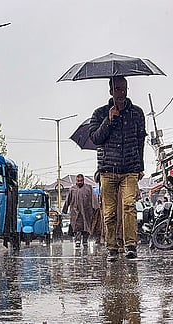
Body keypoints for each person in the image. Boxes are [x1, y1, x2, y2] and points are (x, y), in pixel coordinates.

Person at [89, 76, 147, 261]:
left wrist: (140, 167)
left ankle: (130, 245)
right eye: (117, 89)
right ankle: (112, 247)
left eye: (123, 88)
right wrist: (109, 119)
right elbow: (96, 139)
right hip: (107, 170)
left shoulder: (137, 113)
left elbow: (140, 141)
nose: (121, 92)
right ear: (111, 91)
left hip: (130, 168)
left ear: (127, 89)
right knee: (109, 212)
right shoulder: (99, 114)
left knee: (129, 206)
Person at [62, 174, 99, 248]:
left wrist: (96, 208)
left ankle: (85, 241)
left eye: (81, 181)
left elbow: (94, 198)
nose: (79, 182)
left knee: (86, 227)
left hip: (87, 212)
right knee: (77, 227)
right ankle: (77, 241)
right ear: (76, 180)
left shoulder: (89, 188)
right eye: (78, 181)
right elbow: (67, 200)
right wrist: (65, 210)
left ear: (83, 180)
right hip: (75, 212)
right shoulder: (72, 189)